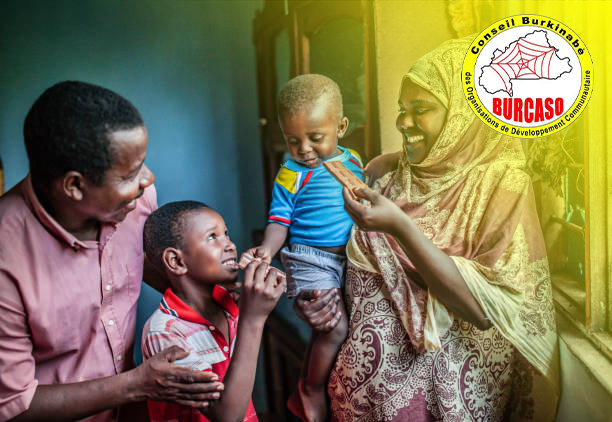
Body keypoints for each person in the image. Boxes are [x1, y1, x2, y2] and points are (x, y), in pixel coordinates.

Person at [295, 37, 560, 421]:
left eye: (421, 109)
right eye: (402, 109)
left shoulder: (501, 185)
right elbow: (345, 263)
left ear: (464, 115)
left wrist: (401, 227)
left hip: (448, 403)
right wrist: (319, 298)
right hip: (359, 401)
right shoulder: (387, 173)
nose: (403, 123)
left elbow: (485, 309)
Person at [0, 81, 223, 422]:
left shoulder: (136, 201)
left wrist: (234, 294)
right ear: (75, 185)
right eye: (131, 173)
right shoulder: (6, 255)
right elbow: (14, 405)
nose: (148, 179)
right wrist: (136, 385)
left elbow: (155, 270)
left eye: (142, 164)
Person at [239, 74, 363, 422]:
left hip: (347, 259)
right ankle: (309, 389)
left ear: (341, 126)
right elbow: (280, 221)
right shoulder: (290, 172)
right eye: (293, 140)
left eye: (315, 138)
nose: (304, 149)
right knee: (333, 329)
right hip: (310, 259)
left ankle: (303, 390)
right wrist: (266, 248)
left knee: (336, 328)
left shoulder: (353, 160)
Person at [141, 201, 286, 422]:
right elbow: (226, 416)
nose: (230, 245)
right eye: (212, 237)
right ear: (176, 261)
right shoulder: (164, 333)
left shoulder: (229, 304)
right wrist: (253, 319)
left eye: (226, 234)